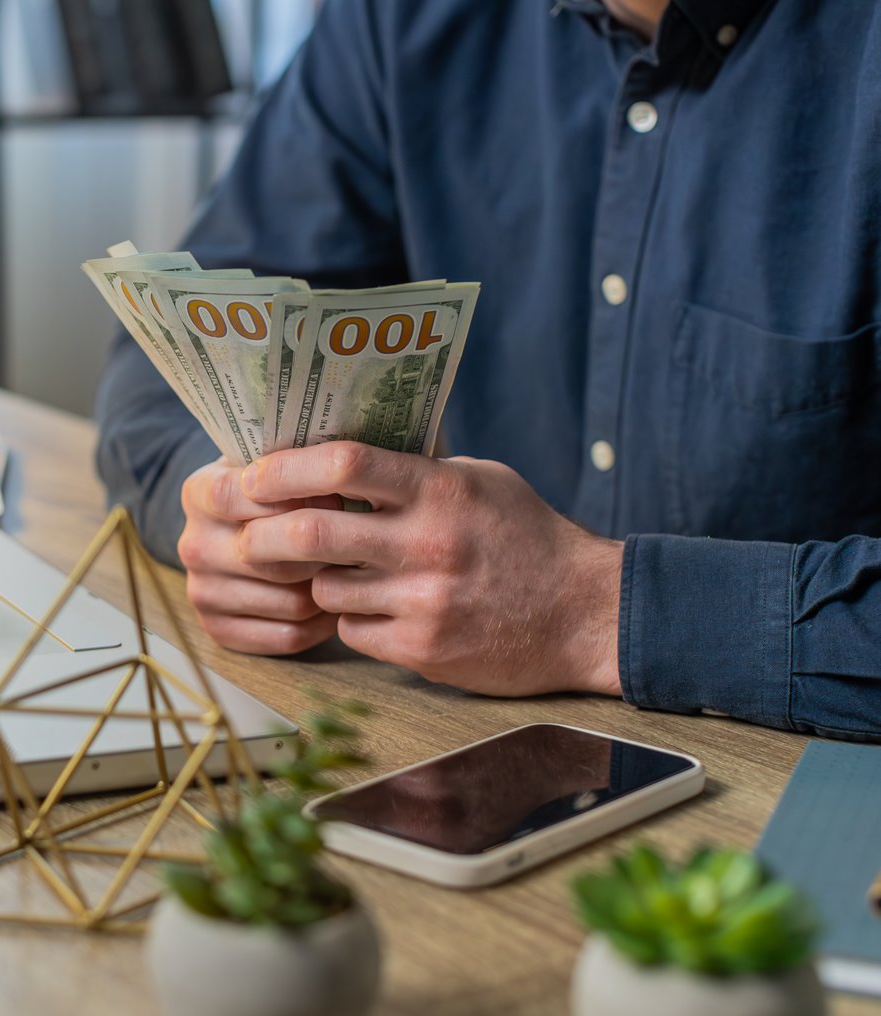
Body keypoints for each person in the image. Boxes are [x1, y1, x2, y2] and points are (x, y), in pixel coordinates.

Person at [94, 0, 881, 742]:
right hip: (448, 735)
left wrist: (591, 609)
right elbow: (162, 377)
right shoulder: (395, 22)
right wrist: (241, 518)